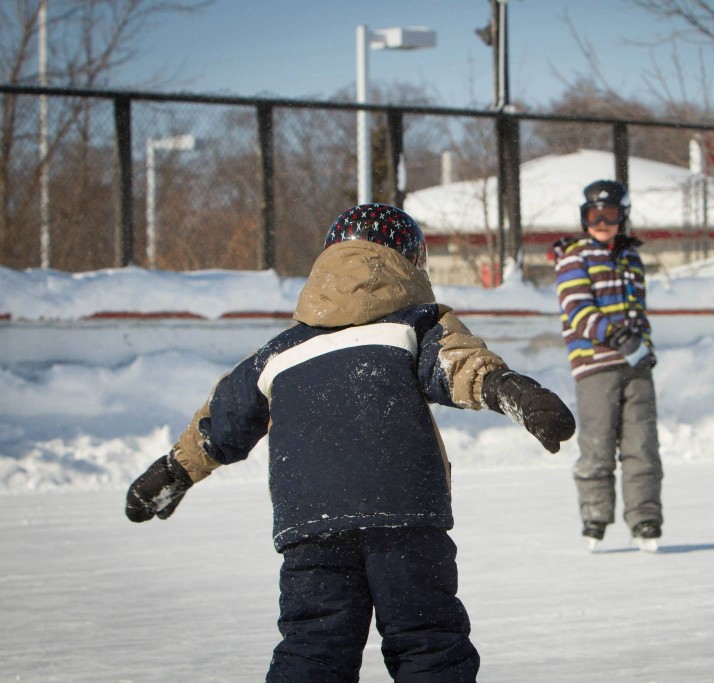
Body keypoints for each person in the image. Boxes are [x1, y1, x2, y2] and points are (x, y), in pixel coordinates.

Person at [125, 203, 576, 682]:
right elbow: (456, 365)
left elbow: (222, 421)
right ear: (409, 262)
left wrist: (173, 471)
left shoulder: (278, 352)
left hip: (310, 521)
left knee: (313, 649)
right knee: (426, 641)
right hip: (402, 510)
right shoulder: (414, 324)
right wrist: (508, 389)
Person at [552, 179, 663, 553]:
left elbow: (638, 314)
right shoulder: (574, 256)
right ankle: (595, 516)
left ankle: (645, 518)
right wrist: (618, 338)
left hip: (636, 365)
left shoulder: (631, 259)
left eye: (610, 214)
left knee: (642, 445)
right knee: (597, 445)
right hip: (596, 366)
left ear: (623, 216)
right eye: (593, 214)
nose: (601, 221)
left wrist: (642, 347)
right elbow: (578, 310)